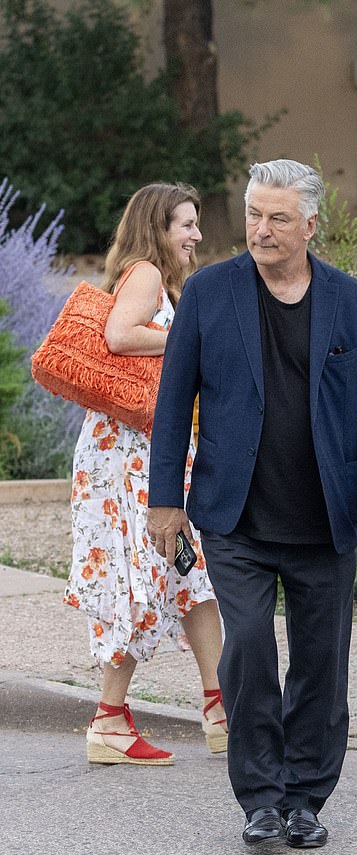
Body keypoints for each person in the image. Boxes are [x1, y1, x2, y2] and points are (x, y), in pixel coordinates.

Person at [148, 159, 357, 846]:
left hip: (326, 515)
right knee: (251, 650)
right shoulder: (208, 293)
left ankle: (306, 798)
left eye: (278, 218)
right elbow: (174, 402)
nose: (260, 229)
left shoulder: (352, 303)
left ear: (310, 225)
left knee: (322, 659)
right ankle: (259, 796)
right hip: (237, 516)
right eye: (254, 214)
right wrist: (163, 501)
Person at [64, 182, 227, 765]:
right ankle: (110, 719)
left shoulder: (157, 279)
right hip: (129, 456)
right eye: (186, 224)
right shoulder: (146, 275)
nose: (196, 235)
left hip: (146, 448)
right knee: (139, 578)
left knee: (190, 573)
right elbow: (119, 335)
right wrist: (191, 339)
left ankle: (221, 708)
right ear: (158, 228)